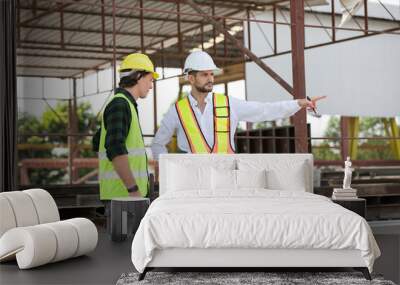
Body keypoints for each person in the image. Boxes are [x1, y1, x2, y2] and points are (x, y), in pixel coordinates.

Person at [151, 50, 325, 161]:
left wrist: (298, 103)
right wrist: (173, 171)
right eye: (204, 75)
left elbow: (264, 110)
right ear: (191, 78)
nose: (211, 79)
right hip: (193, 181)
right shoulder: (177, 111)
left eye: (212, 74)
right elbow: (158, 145)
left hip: (227, 180)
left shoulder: (228, 104)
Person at [93, 53, 158, 204]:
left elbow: (97, 142)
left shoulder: (123, 104)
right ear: (138, 77)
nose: (151, 85)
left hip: (124, 197)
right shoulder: (120, 105)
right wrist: (133, 190)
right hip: (124, 199)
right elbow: (115, 148)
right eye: (150, 80)